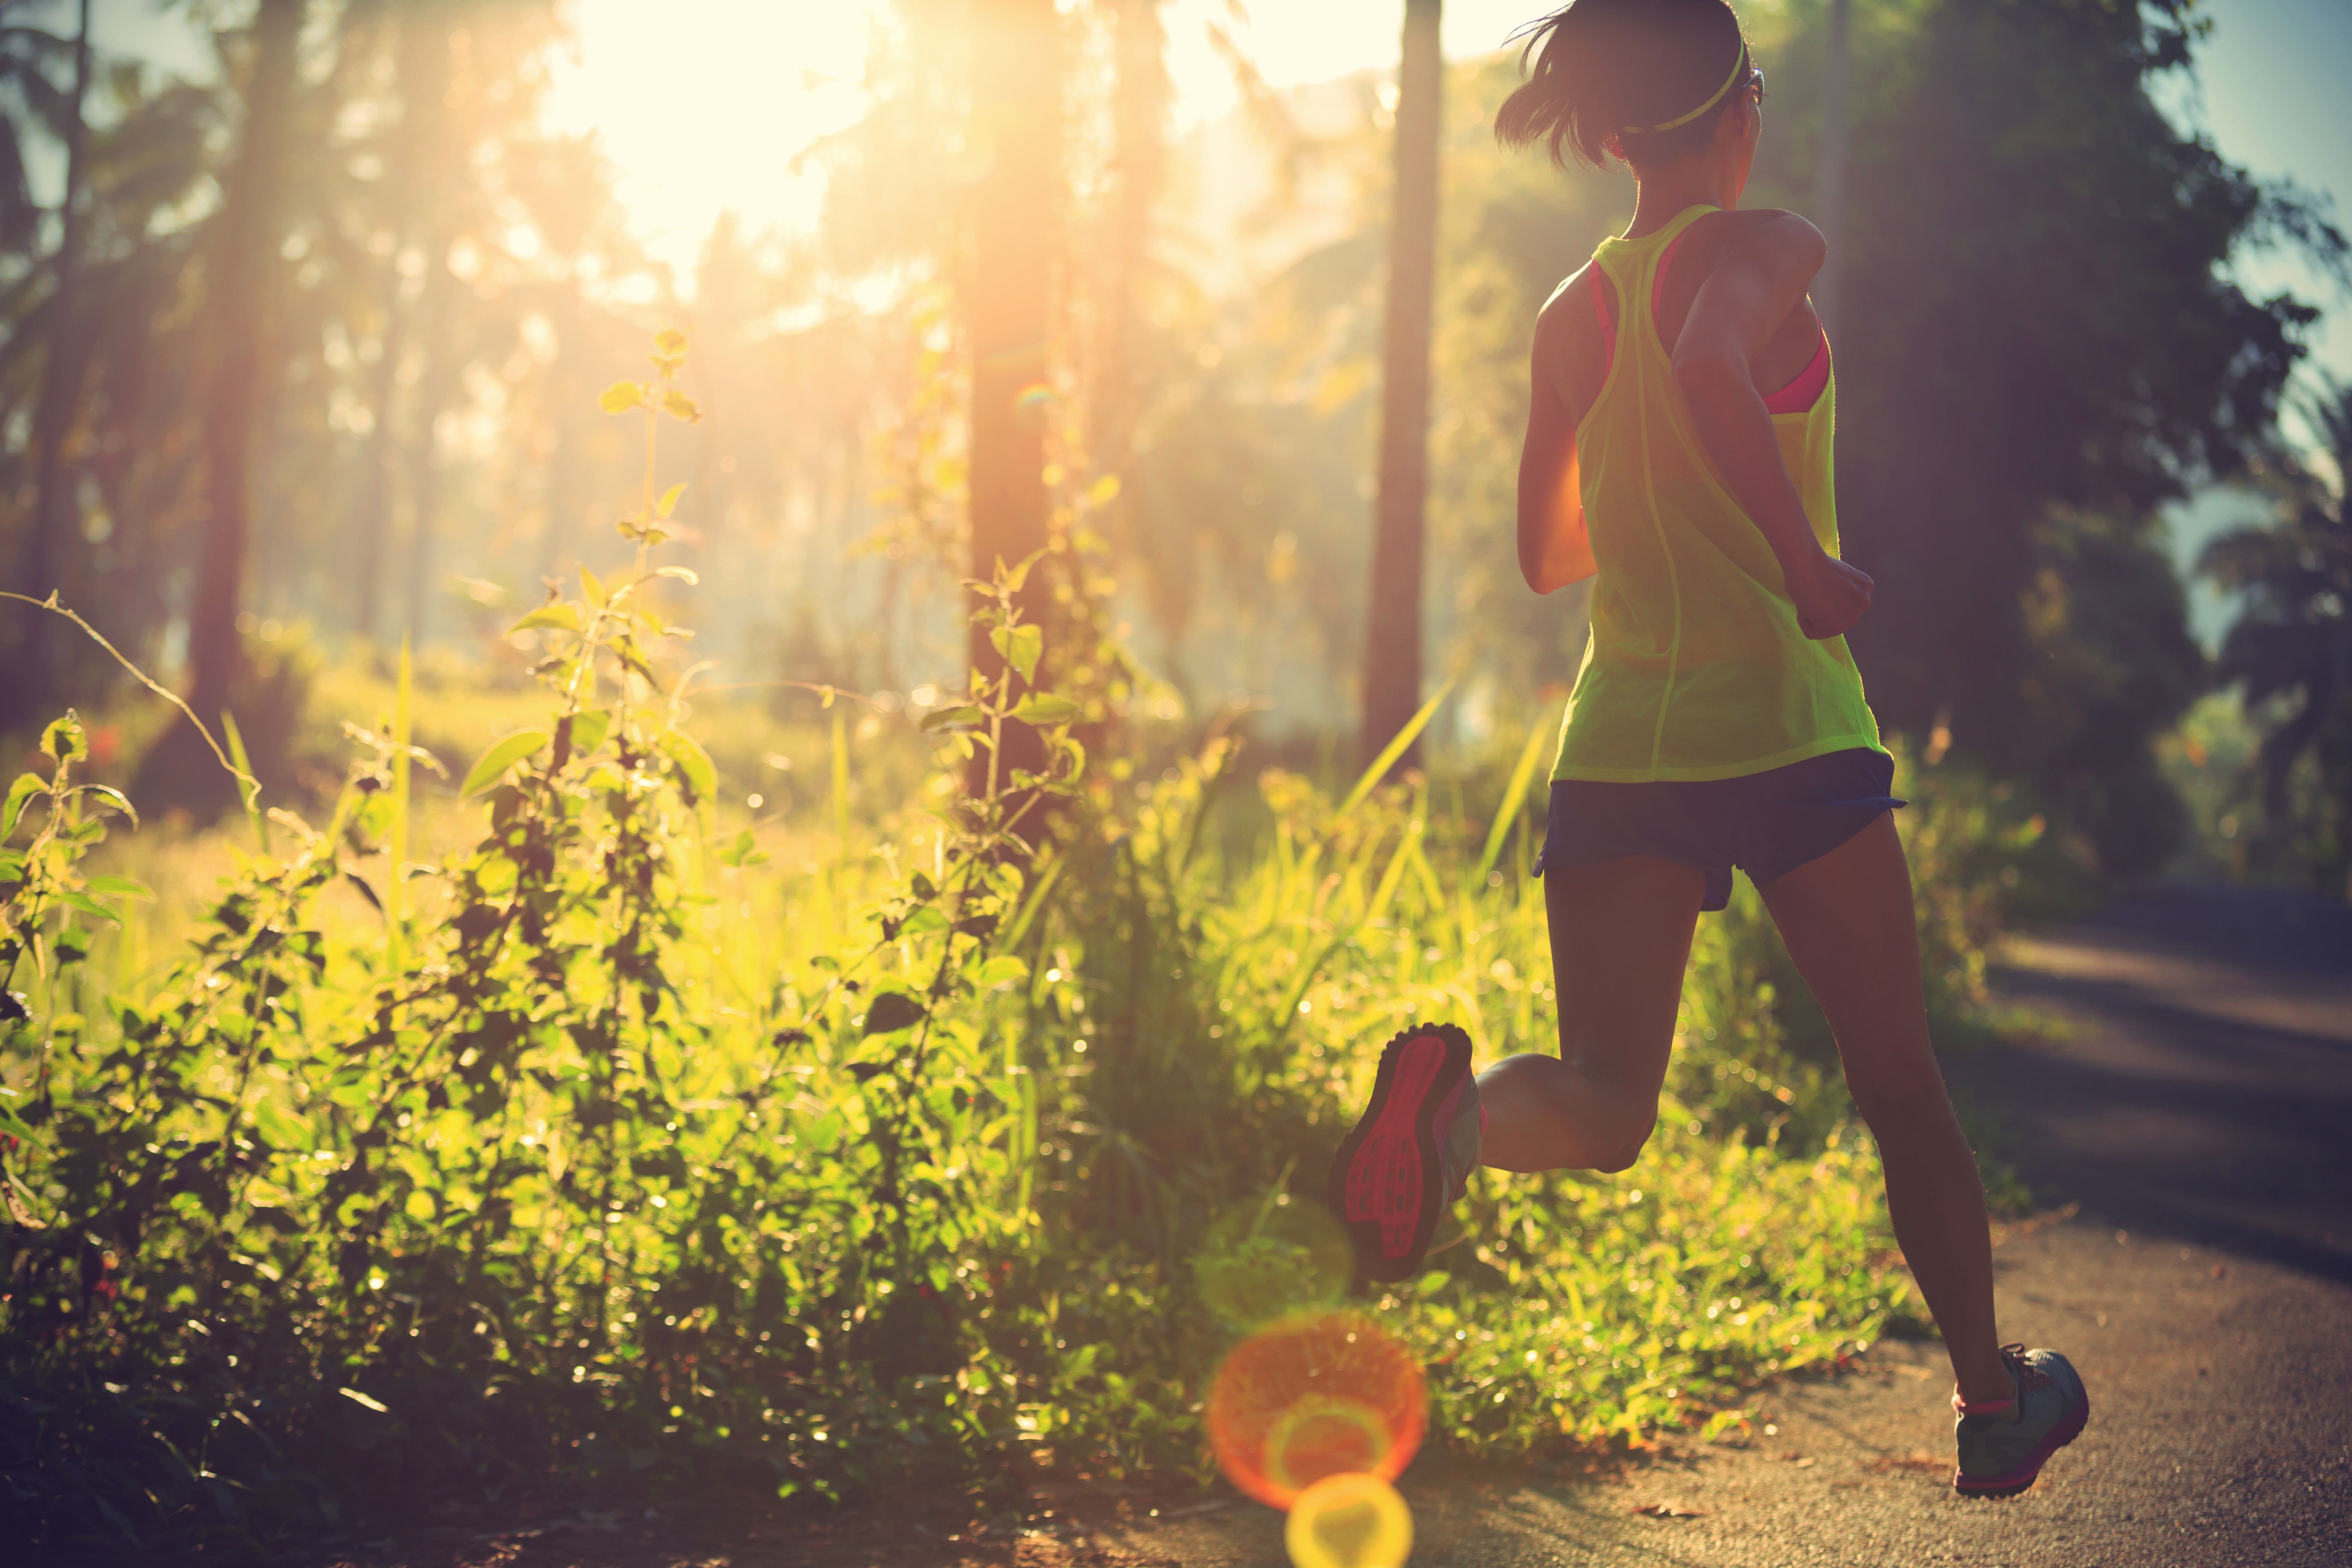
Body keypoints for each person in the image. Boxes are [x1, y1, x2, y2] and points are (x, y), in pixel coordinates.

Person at [1327, 0, 2088, 1500]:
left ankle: (1451, 1125)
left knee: (1608, 1102)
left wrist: (1649, 481)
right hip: (1789, 733)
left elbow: (1550, 552)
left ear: (1609, 138)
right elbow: (1708, 364)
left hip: (1625, 745)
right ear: (1741, 115)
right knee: (1900, 1087)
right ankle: (1994, 1401)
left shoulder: (1565, 314)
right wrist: (1802, 567)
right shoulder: (1766, 246)